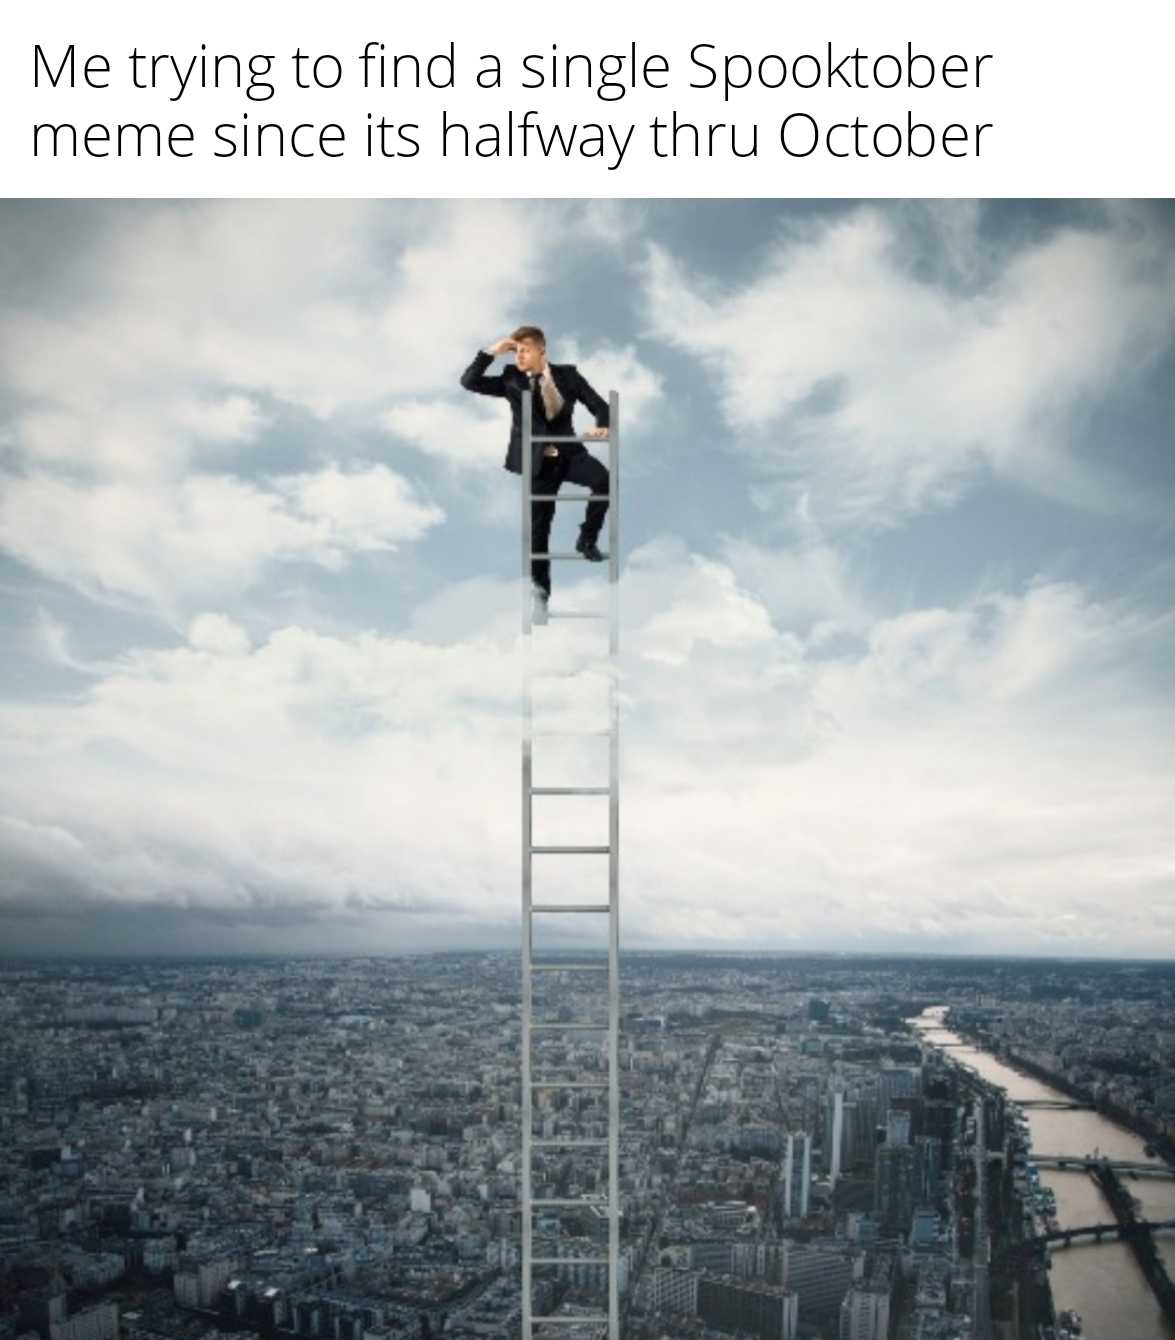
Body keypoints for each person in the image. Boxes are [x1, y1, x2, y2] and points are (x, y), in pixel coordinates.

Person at [459, 325, 610, 621]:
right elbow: (469, 382)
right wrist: (492, 351)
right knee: (539, 535)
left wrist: (603, 424)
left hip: (570, 454)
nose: (519, 357)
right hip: (538, 464)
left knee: (605, 481)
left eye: (525, 350)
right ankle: (540, 602)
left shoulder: (568, 375)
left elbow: (600, 405)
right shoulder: (511, 380)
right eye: (516, 351)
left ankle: (587, 539)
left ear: (542, 350)